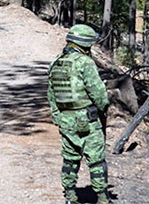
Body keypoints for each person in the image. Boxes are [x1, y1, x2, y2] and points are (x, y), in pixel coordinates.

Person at [47, 24, 113, 204]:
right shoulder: (85, 63)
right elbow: (98, 94)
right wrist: (104, 106)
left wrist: (58, 118)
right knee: (96, 159)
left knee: (70, 159)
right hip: (88, 120)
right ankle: (102, 198)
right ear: (85, 43)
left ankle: (70, 196)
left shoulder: (56, 62)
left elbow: (51, 94)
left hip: (66, 120)